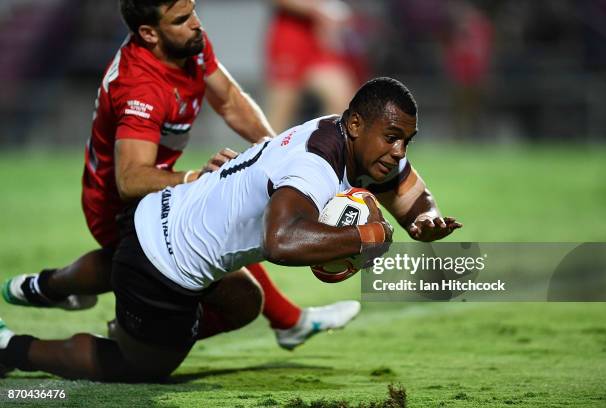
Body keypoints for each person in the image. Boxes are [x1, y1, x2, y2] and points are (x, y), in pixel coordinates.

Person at [0, 77, 462, 381]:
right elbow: (280, 240)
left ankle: (48, 286)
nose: (400, 151)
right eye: (393, 137)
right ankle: (14, 348)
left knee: (243, 301)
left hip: (156, 217)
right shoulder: (315, 164)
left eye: (407, 140)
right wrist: (368, 237)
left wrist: (424, 218)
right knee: (137, 366)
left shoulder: (350, 139)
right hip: (164, 266)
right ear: (356, 124)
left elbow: (409, 194)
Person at [1, 0, 360, 351]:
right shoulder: (140, 86)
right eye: (181, 19)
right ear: (149, 33)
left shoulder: (189, 43)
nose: (196, 24)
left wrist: (275, 147)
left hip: (159, 187)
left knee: (222, 228)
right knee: (228, 278)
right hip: (116, 201)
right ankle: (54, 330)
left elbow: (231, 101)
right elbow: (130, 179)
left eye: (193, 12)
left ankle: (49, 289)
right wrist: (196, 179)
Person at [265, 0, 360, 131]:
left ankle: (321, 148)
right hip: (291, 33)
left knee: (343, 100)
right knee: (282, 110)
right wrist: (318, 9)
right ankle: (265, 150)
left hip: (316, 37)